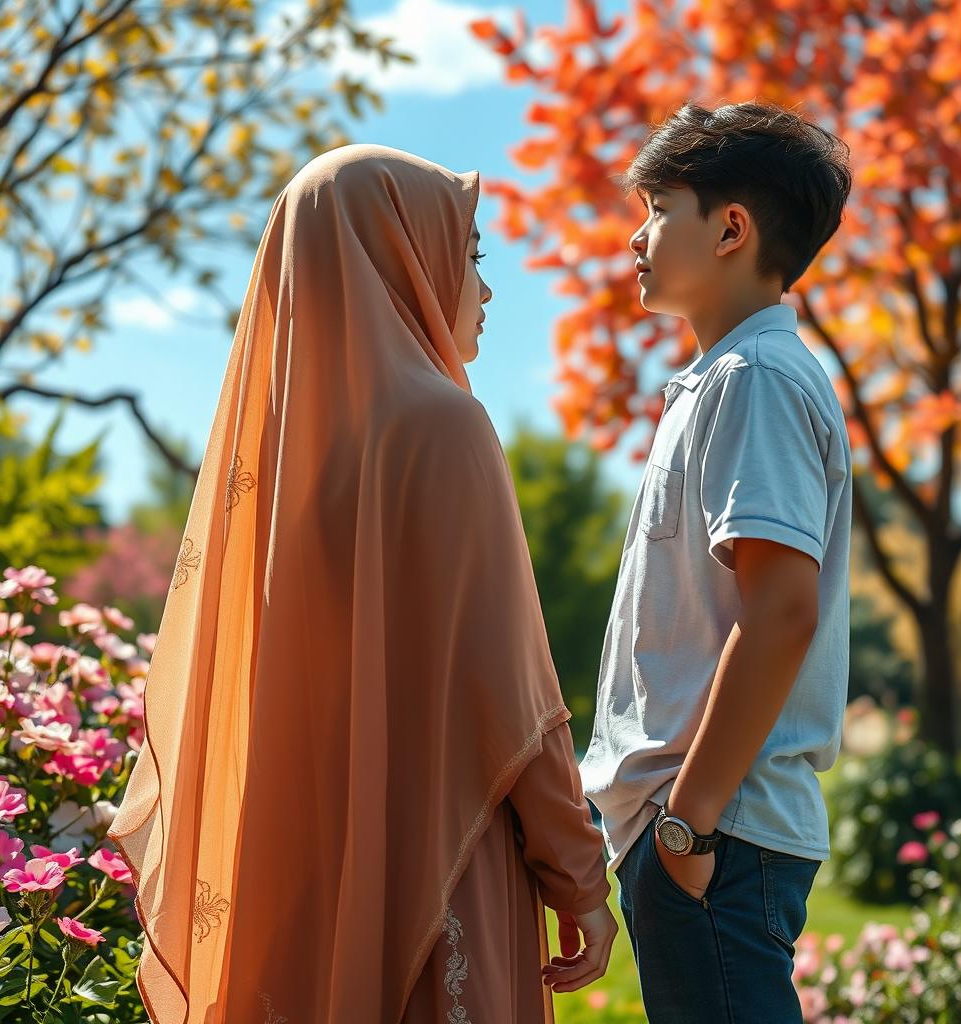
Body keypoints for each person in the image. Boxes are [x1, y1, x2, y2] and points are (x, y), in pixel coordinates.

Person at [106, 143, 617, 1024]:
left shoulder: (277, 474)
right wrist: (580, 880)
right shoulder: (443, 429)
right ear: (398, 255)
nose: (485, 290)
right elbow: (511, 693)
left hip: (302, 866)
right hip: (435, 865)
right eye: (469, 256)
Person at [577, 100, 854, 1023]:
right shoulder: (722, 379)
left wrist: (687, 828)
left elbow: (782, 613)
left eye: (659, 208)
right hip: (703, 835)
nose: (635, 236)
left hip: (716, 834)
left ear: (731, 228)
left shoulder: (755, 380)